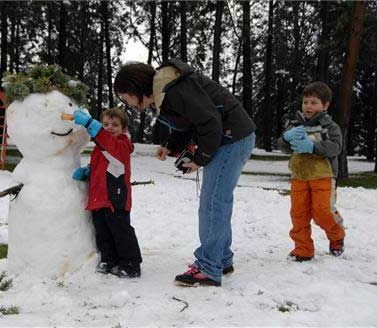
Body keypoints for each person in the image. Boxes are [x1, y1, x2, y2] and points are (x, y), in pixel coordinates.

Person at [114, 60, 256, 287]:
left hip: (232, 138)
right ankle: (220, 259)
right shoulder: (165, 93)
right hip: (229, 138)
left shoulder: (174, 89)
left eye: (125, 97)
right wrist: (170, 144)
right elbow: (188, 123)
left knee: (213, 203)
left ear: (134, 89)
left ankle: (209, 266)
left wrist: (200, 159)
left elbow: (210, 121)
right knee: (216, 201)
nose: (127, 103)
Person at [277, 81, 345, 262]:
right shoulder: (294, 124)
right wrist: (285, 138)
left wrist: (313, 147)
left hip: (323, 176)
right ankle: (303, 249)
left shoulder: (330, 126)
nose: (308, 106)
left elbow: (336, 147)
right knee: (298, 214)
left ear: (325, 105)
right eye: (305, 102)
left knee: (323, 212)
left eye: (313, 102)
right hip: (299, 176)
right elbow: (283, 147)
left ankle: (337, 235)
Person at [72, 107, 142, 278]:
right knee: (102, 231)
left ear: (123, 128)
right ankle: (109, 260)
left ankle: (131, 264)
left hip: (115, 198)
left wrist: (91, 125)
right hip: (99, 197)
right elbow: (104, 163)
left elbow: (113, 152)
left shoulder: (123, 145)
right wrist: (89, 171)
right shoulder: (101, 146)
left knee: (120, 231)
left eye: (115, 125)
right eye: (105, 124)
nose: (109, 127)